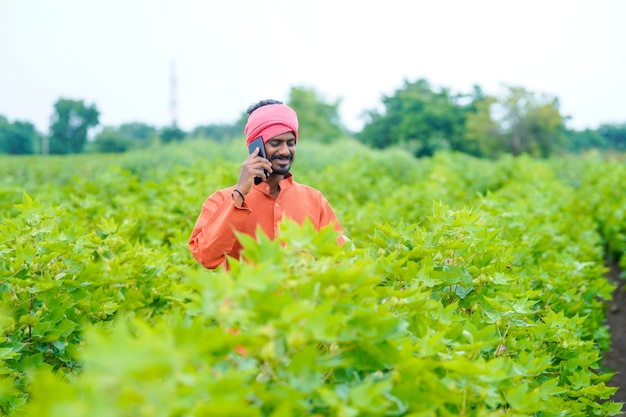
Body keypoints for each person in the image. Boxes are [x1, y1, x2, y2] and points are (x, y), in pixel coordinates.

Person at [189, 99, 345, 269]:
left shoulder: (314, 200)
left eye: (290, 143)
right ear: (255, 146)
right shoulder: (222, 200)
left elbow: (338, 260)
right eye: (275, 143)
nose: (285, 151)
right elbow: (206, 257)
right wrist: (239, 194)